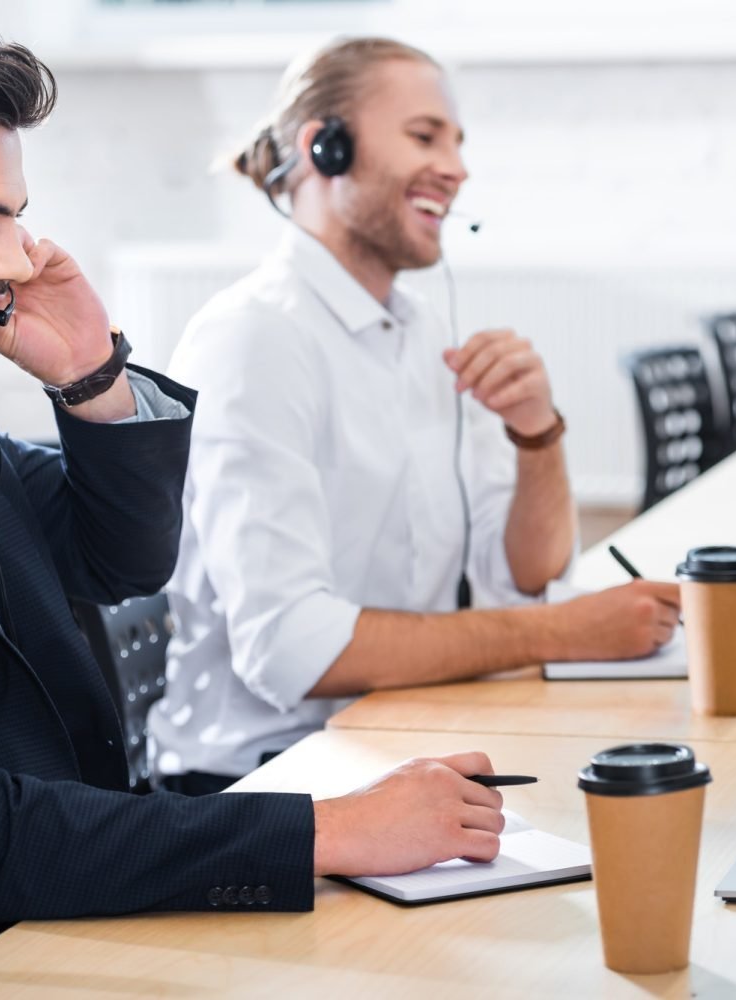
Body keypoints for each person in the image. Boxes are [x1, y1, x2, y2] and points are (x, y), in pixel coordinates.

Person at [0, 13, 506, 998]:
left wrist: (94, 379)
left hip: (75, 905)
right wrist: (330, 830)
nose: (19, 261)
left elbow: (117, 560)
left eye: (15, 220)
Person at [149, 36, 681, 794]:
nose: (457, 168)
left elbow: (520, 577)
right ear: (325, 147)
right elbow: (294, 650)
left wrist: (538, 435)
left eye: (457, 143)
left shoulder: (422, 329)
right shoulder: (256, 337)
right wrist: (567, 630)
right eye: (424, 135)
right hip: (264, 782)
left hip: (393, 738)